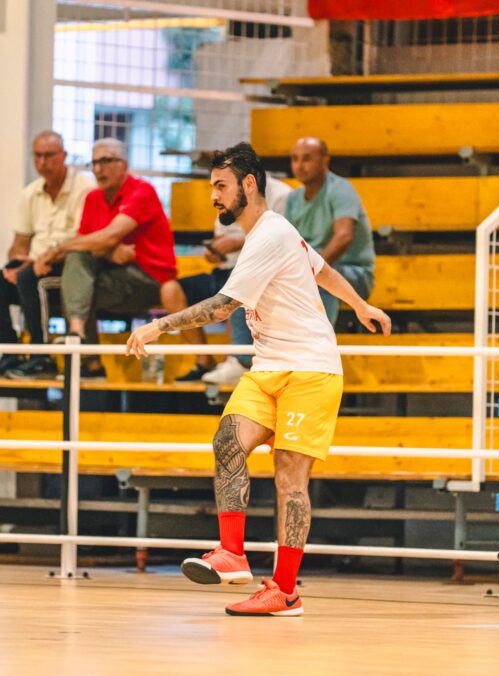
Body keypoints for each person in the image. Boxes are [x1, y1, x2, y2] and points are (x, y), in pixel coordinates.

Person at [126, 143, 391, 616]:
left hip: (311, 369)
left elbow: (224, 305)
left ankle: (285, 591)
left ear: (249, 184)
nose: (214, 196)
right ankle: (232, 553)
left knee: (290, 478)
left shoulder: (270, 235)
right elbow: (323, 269)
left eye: (220, 186)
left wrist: (158, 325)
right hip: (268, 366)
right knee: (228, 440)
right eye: (212, 187)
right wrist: (360, 305)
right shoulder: (276, 233)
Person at [12, 137, 178, 380]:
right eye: (95, 163)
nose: (99, 169)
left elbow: (108, 236)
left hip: (148, 280)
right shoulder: (93, 198)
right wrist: (108, 250)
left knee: (74, 270)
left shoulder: (142, 190)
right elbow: (92, 244)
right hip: (112, 277)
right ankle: (86, 358)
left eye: (106, 161)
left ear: (123, 164)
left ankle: (75, 344)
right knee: (76, 276)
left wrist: (58, 249)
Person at [0, 131, 95, 379]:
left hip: (71, 266)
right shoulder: (30, 193)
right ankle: (10, 353)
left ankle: (41, 357)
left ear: (63, 156)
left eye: (49, 155)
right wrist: (16, 263)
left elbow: (84, 240)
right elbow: (20, 243)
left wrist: (39, 262)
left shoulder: (86, 188)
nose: (43, 162)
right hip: (34, 266)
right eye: (38, 156)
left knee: (30, 277)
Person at [170, 173, 291, 384]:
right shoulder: (228, 193)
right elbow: (220, 237)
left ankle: (239, 360)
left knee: (239, 287)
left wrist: (241, 241)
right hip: (228, 268)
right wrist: (214, 251)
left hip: (263, 271)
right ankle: (203, 361)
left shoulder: (282, 195)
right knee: (171, 290)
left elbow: (283, 241)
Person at [285, 136, 375, 325]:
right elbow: (286, 244)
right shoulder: (293, 198)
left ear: (325, 160)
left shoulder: (341, 190)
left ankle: (318, 345)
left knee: (322, 280)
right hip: (310, 270)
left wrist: (313, 271)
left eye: (307, 158)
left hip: (354, 273)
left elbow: (343, 236)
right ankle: (242, 354)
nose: (299, 165)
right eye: (295, 159)